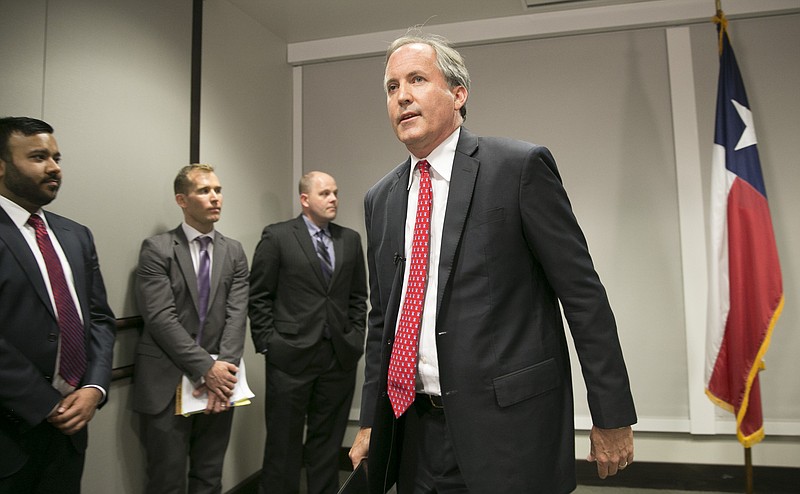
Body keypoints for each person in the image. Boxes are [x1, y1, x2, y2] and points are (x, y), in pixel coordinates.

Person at [348, 31, 637, 493]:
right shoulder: (379, 198)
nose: (402, 96)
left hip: (510, 432)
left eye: (417, 79)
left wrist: (612, 415)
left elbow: (582, 296)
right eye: (391, 87)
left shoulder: (518, 168)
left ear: (458, 93)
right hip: (414, 434)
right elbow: (382, 320)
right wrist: (370, 422)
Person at [0, 116, 116, 493]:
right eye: (37, 157)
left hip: (70, 432)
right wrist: (45, 402)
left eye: (56, 157)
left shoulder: (75, 235)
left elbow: (99, 318)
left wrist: (95, 387)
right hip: (10, 432)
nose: (54, 168)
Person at [133, 163, 249, 494]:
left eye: (218, 190)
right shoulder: (157, 249)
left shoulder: (234, 251)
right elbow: (160, 318)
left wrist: (222, 373)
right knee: (166, 481)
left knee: (209, 477)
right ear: (182, 200)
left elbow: (237, 314)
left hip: (220, 384)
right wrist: (205, 369)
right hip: (166, 383)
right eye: (204, 191)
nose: (215, 198)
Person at [249, 171, 367, 494]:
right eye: (325, 193)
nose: (333, 199)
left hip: (338, 359)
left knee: (327, 449)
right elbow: (258, 295)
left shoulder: (350, 239)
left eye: (336, 193)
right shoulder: (278, 237)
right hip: (289, 359)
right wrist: (269, 344)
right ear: (305, 199)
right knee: (282, 449)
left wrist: (355, 338)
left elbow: (358, 297)